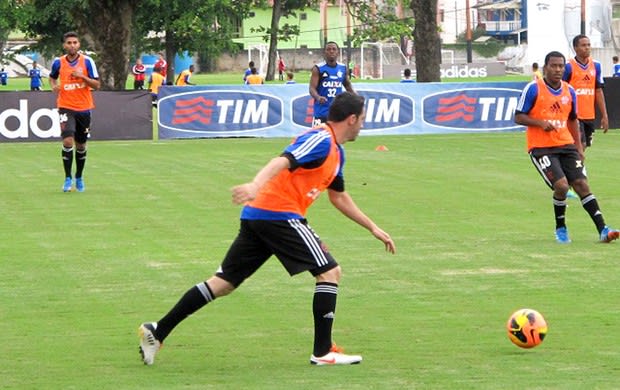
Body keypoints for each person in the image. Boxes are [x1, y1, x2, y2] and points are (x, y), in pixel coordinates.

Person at [138, 92, 396, 366]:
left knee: (223, 284)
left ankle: (157, 330)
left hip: (260, 216)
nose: (363, 126)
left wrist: (373, 228)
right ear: (352, 118)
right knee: (330, 272)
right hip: (278, 215)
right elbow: (282, 160)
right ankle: (323, 352)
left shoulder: (336, 152)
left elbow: (339, 196)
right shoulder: (321, 139)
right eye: (363, 120)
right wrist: (255, 184)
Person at [514, 51, 619, 244]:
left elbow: (572, 120)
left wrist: (578, 147)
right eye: (553, 66)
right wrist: (540, 123)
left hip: (566, 144)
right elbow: (518, 116)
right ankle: (561, 228)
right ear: (546, 68)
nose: (558, 70)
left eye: (561, 66)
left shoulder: (569, 91)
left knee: (582, 185)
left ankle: (603, 229)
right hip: (541, 147)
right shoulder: (533, 88)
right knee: (562, 186)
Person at [49, 31, 100, 193]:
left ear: (79, 45)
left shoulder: (87, 62)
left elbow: (97, 85)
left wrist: (82, 77)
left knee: (81, 145)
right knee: (67, 141)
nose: (72, 45)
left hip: (84, 108)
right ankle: (67, 178)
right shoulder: (58, 62)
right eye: (69, 43)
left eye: (75, 43)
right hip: (65, 106)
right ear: (64, 45)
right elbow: (52, 77)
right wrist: (53, 85)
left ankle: (79, 176)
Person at [562, 34, 609, 150]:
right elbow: (561, 90)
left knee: (584, 146)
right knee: (579, 145)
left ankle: (572, 167)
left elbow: (598, 91)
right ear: (575, 48)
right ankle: (577, 168)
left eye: (588, 45)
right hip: (573, 115)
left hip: (589, 115)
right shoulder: (568, 67)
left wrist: (604, 115)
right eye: (583, 45)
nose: (587, 48)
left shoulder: (596, 66)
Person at [309, 41, 355, 126]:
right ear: (324, 52)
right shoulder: (318, 68)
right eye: (328, 49)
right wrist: (318, 97)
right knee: (319, 137)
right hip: (321, 112)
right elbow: (312, 88)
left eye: (334, 49)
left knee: (337, 138)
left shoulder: (343, 68)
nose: (331, 51)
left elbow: (347, 85)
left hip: (337, 113)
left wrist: (355, 97)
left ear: (338, 52)